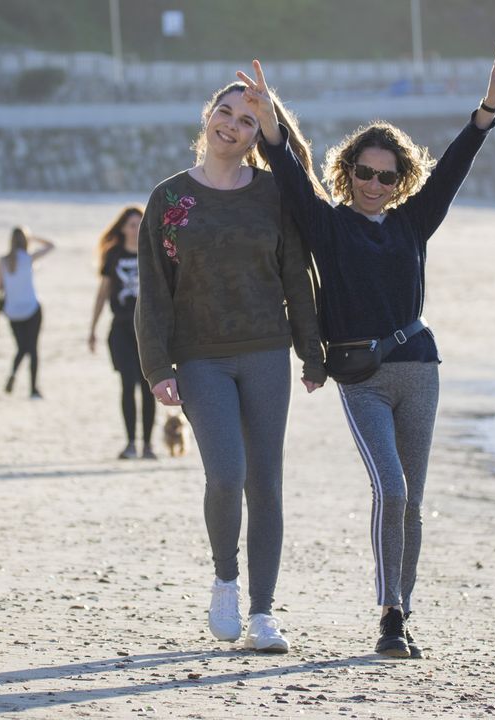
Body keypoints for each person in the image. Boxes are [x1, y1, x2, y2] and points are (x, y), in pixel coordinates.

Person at [240, 44, 495, 659]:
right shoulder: (326, 224)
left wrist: (488, 105)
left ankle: (399, 615)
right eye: (363, 173)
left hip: (419, 369)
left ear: (400, 181)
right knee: (389, 490)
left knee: (412, 500)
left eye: (386, 175)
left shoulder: (413, 222)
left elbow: (454, 168)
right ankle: (387, 609)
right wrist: (268, 119)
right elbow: (285, 168)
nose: (373, 183)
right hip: (361, 376)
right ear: (348, 174)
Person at [135, 80, 326, 653]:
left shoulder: (274, 194)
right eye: (226, 112)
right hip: (200, 359)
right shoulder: (168, 200)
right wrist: (156, 366)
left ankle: (264, 613)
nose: (233, 126)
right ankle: (226, 579)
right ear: (208, 116)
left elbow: (298, 275)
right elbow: (154, 290)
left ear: (257, 134)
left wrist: (312, 352)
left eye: (248, 120)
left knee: (266, 482)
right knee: (226, 475)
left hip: (267, 349)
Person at [87, 206, 156, 460]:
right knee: (128, 384)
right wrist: (92, 328)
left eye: (139, 224)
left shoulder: (152, 252)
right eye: (131, 224)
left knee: (150, 386)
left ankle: (148, 445)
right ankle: (130, 444)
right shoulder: (113, 255)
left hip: (148, 329)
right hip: (121, 329)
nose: (135, 228)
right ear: (122, 227)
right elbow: (103, 292)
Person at [0, 227, 53, 400]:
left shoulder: (3, 261)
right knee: (33, 348)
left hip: (12, 311)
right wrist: (34, 237)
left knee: (22, 347)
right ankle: (34, 388)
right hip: (32, 308)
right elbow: (51, 246)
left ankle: (13, 373)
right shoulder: (28, 258)